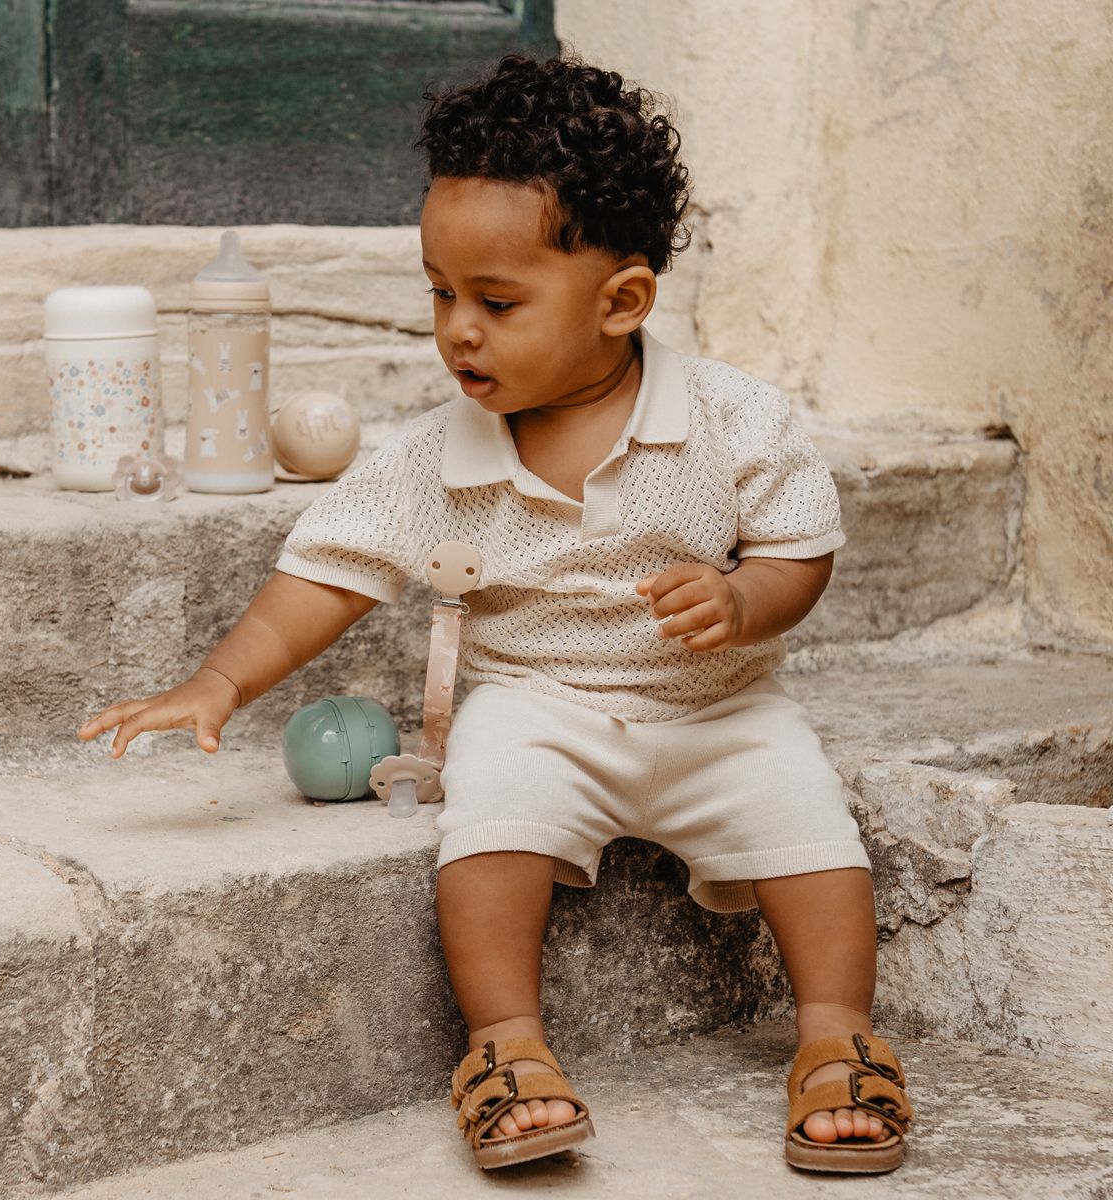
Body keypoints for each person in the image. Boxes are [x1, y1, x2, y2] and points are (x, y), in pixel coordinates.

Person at [79, 52, 913, 1174]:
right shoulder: (431, 456)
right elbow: (328, 573)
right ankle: (506, 1042)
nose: (458, 331)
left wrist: (742, 597)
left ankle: (836, 1032)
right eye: (441, 294)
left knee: (807, 815)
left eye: (497, 302)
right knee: (492, 809)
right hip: (542, 702)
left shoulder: (732, 419)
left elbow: (800, 553)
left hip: (717, 711)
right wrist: (219, 680)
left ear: (622, 303)